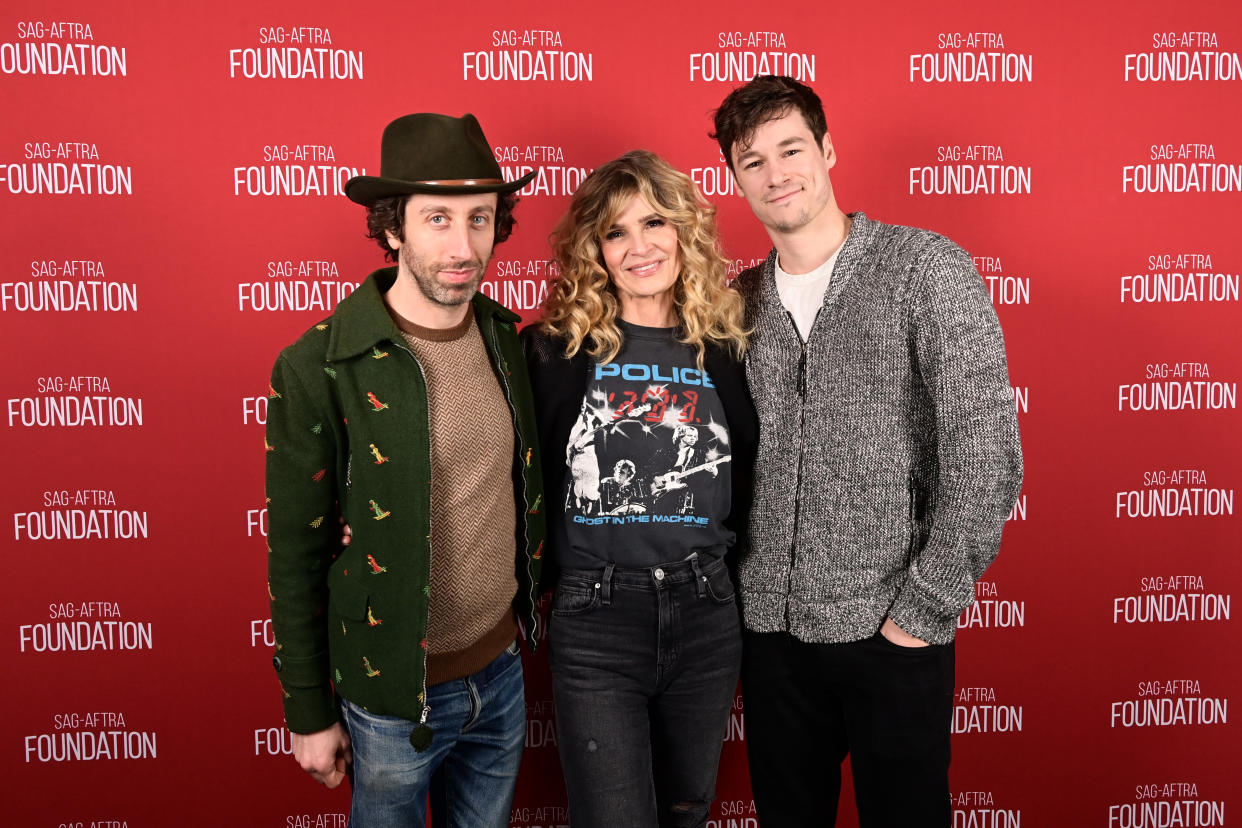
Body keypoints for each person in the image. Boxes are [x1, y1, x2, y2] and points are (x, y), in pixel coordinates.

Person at [710, 76, 1023, 827]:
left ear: (827, 150)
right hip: (773, 638)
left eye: (791, 149)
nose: (776, 173)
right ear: (734, 180)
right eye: (752, 161)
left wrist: (922, 611)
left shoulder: (924, 269)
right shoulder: (736, 304)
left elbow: (987, 456)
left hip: (894, 628)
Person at [264, 112, 544, 828]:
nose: (464, 245)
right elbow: (295, 553)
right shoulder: (320, 365)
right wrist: (307, 711)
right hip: (391, 695)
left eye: (480, 219)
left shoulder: (506, 340)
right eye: (438, 220)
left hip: (503, 676)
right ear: (392, 228)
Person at [522, 150, 757, 828]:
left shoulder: (727, 346)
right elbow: (498, 466)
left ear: (685, 231)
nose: (639, 247)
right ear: (595, 249)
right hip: (596, 615)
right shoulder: (551, 353)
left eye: (655, 222)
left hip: (707, 610)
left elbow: (753, 471)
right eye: (616, 231)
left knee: (688, 812)